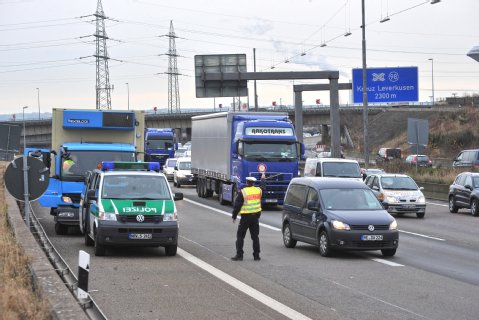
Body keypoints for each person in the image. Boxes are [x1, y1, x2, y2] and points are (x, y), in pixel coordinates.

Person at [231, 174, 266, 261]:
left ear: (247, 182)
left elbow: (237, 205)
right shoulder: (259, 190)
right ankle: (256, 255)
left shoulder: (243, 192)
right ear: (253, 183)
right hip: (255, 218)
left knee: (240, 236)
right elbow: (263, 187)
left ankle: (239, 255)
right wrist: (262, 179)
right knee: (255, 237)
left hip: (245, 217)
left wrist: (234, 216)